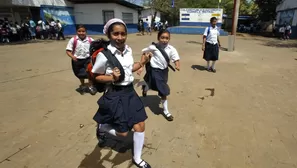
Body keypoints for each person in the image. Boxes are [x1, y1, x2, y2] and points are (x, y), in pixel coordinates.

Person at [92, 18, 152, 168]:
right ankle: (103, 127)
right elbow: (96, 76)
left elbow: (129, 68)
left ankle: (137, 159)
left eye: (123, 34)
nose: (119, 37)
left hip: (130, 92)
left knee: (140, 125)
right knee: (123, 134)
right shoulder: (103, 55)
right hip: (115, 94)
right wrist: (112, 77)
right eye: (115, 34)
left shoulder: (128, 50)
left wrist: (143, 62)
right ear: (109, 34)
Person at [137, 29, 180, 121]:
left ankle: (146, 87)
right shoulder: (153, 47)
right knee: (163, 90)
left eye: (167, 38)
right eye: (162, 37)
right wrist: (141, 66)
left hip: (164, 71)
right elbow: (144, 53)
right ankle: (166, 111)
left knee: (156, 85)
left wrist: (177, 64)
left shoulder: (171, 49)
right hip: (154, 70)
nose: (164, 40)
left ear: (169, 39)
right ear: (158, 38)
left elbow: (176, 58)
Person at [66, 25, 97, 95]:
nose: (81, 33)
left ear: (86, 32)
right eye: (79, 31)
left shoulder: (90, 40)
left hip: (88, 59)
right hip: (77, 60)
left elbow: (96, 49)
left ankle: (90, 86)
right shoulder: (73, 40)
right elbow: (68, 51)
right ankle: (82, 85)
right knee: (80, 74)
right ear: (76, 32)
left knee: (90, 73)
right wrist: (73, 57)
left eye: (83, 31)